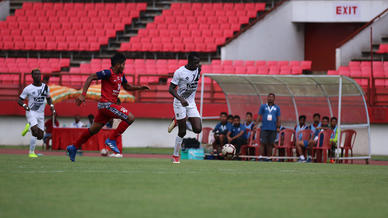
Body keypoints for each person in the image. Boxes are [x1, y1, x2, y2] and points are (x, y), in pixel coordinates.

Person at [66, 53, 150, 162]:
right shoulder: (107, 73)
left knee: (93, 130)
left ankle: (73, 147)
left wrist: (140, 87)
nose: (124, 66)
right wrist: (83, 95)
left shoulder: (121, 75)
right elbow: (91, 77)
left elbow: (127, 86)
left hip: (107, 108)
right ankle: (111, 139)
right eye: (123, 64)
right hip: (106, 105)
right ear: (118, 64)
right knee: (130, 118)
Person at [167, 52, 202, 163]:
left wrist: (187, 100)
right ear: (189, 61)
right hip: (179, 102)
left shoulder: (198, 70)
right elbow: (171, 89)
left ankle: (179, 121)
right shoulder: (179, 72)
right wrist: (181, 99)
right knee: (182, 132)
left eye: (198, 63)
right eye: (195, 62)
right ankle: (175, 156)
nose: (197, 65)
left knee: (198, 129)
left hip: (191, 103)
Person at [17, 69, 56, 157]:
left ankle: (29, 128)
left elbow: (48, 98)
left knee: (40, 136)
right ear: (32, 76)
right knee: (35, 131)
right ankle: (31, 153)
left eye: (39, 74)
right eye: (35, 74)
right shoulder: (28, 88)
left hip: (41, 114)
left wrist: (52, 106)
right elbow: (19, 100)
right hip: (31, 112)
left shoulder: (45, 87)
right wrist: (24, 106)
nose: (38, 76)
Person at [256, 93, 281, 161]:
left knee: (270, 143)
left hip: (273, 128)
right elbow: (259, 116)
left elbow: (278, 118)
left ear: (274, 99)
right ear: (267, 98)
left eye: (272, 97)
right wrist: (256, 125)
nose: (270, 98)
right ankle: (261, 156)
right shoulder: (263, 106)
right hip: (264, 128)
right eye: (269, 97)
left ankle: (268, 157)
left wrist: (278, 127)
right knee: (262, 142)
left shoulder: (277, 108)